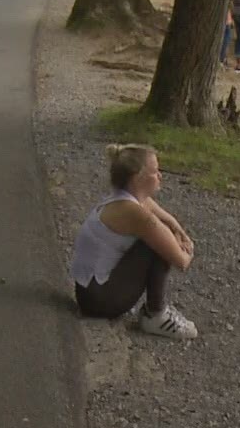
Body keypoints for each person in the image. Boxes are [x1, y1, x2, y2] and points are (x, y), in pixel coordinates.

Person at [69, 144, 198, 340]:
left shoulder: (120, 198)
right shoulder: (136, 215)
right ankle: (157, 315)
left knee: (159, 236)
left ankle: (154, 312)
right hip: (100, 301)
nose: (160, 176)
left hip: (87, 292)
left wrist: (177, 229)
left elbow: (156, 211)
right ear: (137, 177)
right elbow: (181, 261)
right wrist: (186, 246)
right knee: (154, 246)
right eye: (155, 171)